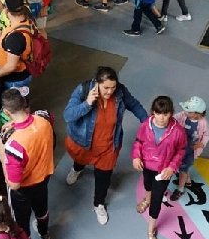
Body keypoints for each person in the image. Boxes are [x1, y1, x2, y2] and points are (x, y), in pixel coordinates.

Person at [63, 66, 148, 225]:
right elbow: (68, 115)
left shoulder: (120, 92)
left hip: (108, 146)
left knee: (103, 178)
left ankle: (99, 204)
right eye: (106, 88)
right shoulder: (83, 90)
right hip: (84, 142)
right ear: (97, 83)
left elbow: (134, 105)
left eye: (113, 87)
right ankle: (77, 169)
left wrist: (147, 123)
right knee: (80, 160)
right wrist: (87, 103)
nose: (110, 91)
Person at [0, 88, 55, 239]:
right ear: (24, 104)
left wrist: (2, 154)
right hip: (44, 177)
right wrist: (15, 124)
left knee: (20, 222)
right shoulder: (44, 119)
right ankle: (44, 233)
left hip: (24, 188)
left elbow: (14, 184)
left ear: (7, 112)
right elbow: (36, 118)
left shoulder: (13, 145)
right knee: (42, 209)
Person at [131, 96, 186, 239]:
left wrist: (171, 167)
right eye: (159, 113)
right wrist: (136, 156)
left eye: (166, 114)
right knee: (147, 185)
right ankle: (146, 200)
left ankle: (150, 231)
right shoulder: (145, 125)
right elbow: (138, 142)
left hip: (164, 171)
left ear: (171, 113)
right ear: (153, 112)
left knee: (157, 199)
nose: (162, 118)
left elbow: (181, 150)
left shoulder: (178, 131)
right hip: (147, 165)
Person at [169, 96, 209, 201]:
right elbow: (172, 119)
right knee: (178, 164)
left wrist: (202, 144)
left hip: (190, 150)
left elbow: (207, 134)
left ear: (197, 114)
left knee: (183, 168)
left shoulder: (203, 123)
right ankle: (187, 179)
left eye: (189, 111)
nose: (185, 111)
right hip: (179, 147)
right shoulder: (182, 115)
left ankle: (180, 189)